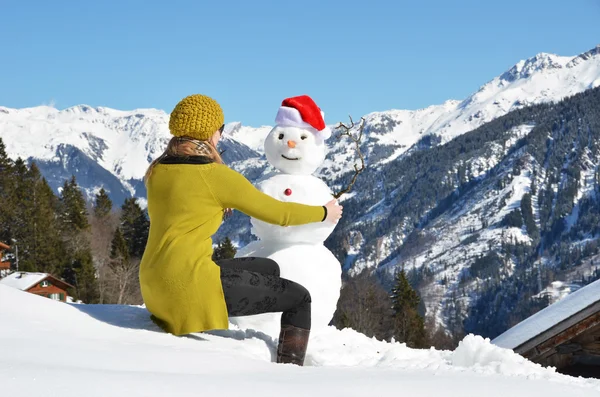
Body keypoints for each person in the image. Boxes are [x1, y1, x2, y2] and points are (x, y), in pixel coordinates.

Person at [139, 94, 343, 366]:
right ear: (211, 132)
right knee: (300, 298)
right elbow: (279, 213)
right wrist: (323, 212)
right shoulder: (214, 176)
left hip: (154, 286)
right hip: (186, 290)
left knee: (267, 267)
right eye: (220, 131)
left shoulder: (158, 170)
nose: (220, 137)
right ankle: (291, 376)